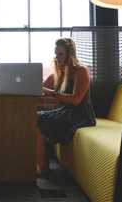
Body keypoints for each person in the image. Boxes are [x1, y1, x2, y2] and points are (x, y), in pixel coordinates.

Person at [37, 37, 96, 173]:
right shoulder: (60, 72)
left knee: (38, 118)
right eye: (56, 54)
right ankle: (41, 164)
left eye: (60, 54)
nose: (57, 57)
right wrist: (36, 84)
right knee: (35, 116)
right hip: (65, 112)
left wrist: (51, 93)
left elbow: (76, 100)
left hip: (81, 115)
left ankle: (41, 166)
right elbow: (43, 89)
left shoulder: (81, 71)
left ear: (70, 54)